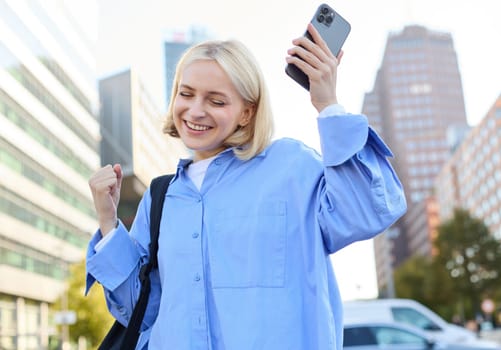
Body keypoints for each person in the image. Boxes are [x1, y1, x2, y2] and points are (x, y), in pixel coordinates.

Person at [86, 23, 406, 350]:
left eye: (216, 101)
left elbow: (368, 212)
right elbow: (140, 310)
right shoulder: (160, 198)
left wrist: (328, 105)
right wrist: (109, 223)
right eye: (186, 93)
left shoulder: (291, 166)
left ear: (246, 113)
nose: (195, 111)